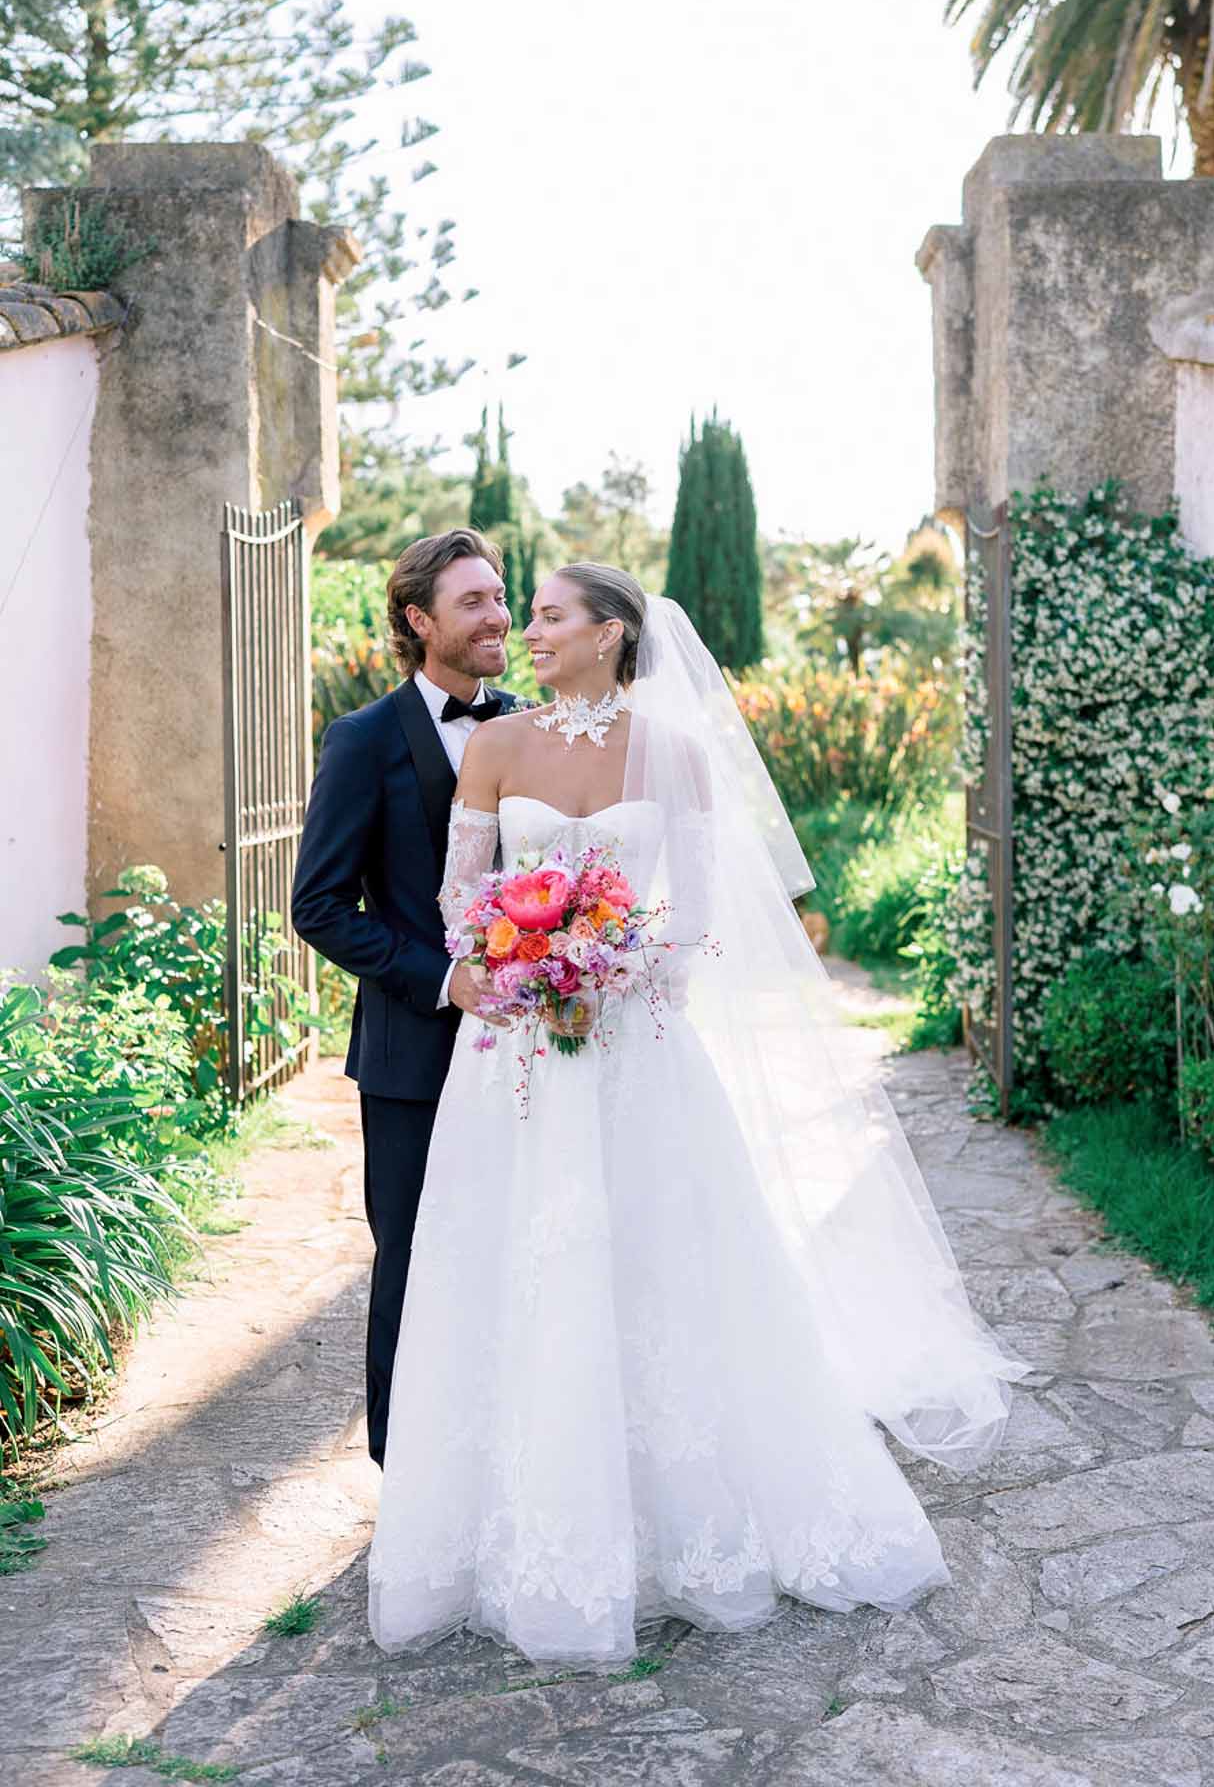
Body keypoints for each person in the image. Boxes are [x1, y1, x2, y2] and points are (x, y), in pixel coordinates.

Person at [366, 561, 1030, 1667]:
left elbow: (696, 921)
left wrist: (607, 963)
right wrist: (519, 964)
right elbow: (459, 900)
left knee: (665, 1265)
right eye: (522, 614)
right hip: (519, 1058)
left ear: (613, 633)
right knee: (516, 1266)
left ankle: (696, 1529)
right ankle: (515, 1528)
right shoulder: (496, 746)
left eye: (550, 615)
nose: (528, 631)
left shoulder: (674, 752)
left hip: (636, 1051)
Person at [291, 529, 527, 1470]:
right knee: (413, 1260)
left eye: (502, 596)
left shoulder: (529, 728)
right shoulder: (361, 740)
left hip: (525, 1046)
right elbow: (318, 906)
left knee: (516, 1248)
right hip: (412, 1057)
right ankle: (406, 1468)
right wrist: (440, 977)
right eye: (473, 602)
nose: (498, 616)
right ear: (419, 620)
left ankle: (500, 1449)